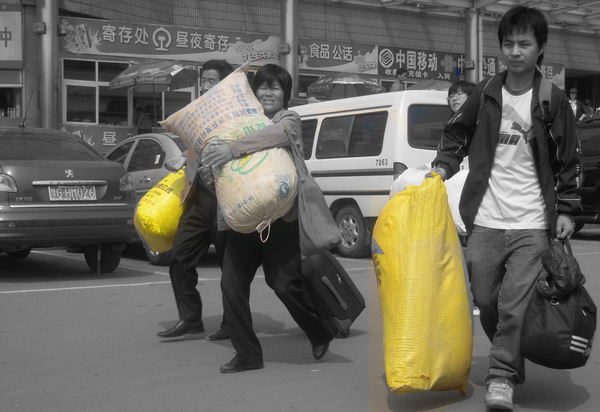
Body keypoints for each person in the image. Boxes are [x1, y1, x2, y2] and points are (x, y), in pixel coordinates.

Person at [429, 6, 581, 411]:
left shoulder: (551, 99)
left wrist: (567, 208)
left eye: (524, 44)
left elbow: (569, 159)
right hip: (485, 219)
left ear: (540, 48)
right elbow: (456, 134)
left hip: (532, 221)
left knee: (514, 303)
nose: (515, 51)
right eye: (508, 44)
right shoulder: (485, 93)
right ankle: (513, 355)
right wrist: (443, 166)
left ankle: (501, 376)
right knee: (485, 298)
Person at [202, 64, 335, 373]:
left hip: (281, 218)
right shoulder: (239, 122)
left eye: (275, 87)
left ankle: (319, 330)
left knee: (284, 283)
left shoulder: (289, 119)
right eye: (263, 87)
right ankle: (248, 354)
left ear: (284, 94)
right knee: (231, 284)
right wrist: (212, 171)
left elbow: (277, 135)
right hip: (244, 219)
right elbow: (223, 169)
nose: (268, 93)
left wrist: (232, 148)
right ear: (254, 92)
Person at [156, 59, 234, 341]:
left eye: (211, 80)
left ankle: (232, 322)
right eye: (203, 80)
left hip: (225, 198)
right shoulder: (199, 112)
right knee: (179, 256)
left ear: (225, 84)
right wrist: (183, 157)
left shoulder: (235, 113)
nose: (205, 85)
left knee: (230, 267)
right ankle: (190, 318)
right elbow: (197, 147)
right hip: (198, 197)